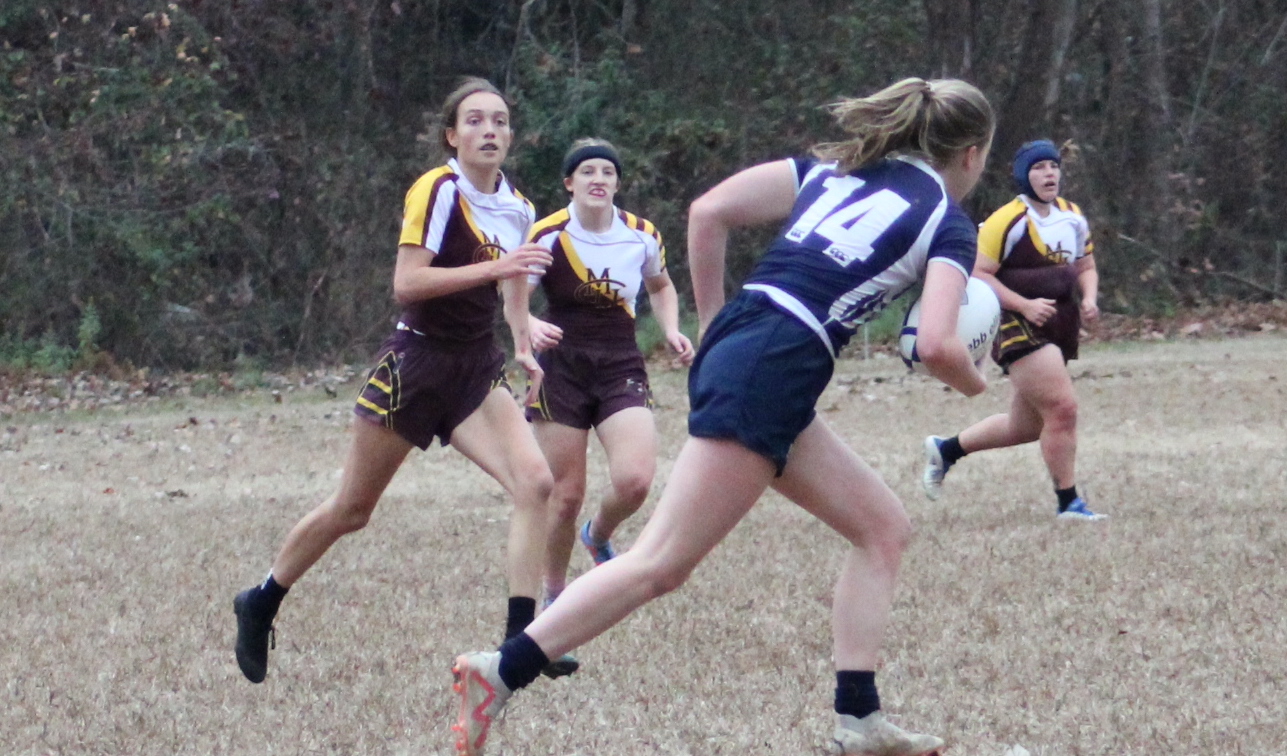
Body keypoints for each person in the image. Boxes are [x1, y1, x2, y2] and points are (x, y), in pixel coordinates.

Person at [449, 77, 995, 756]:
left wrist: (713, 327)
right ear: (969, 154)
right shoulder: (945, 219)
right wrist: (974, 382)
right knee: (660, 563)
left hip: (748, 339)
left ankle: (859, 720)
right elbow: (942, 344)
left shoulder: (831, 172)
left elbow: (708, 212)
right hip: (775, 364)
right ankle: (499, 671)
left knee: (882, 529)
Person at [231, 77, 559, 684]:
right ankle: (262, 599)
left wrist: (523, 337)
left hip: (474, 368)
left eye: (501, 121)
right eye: (476, 121)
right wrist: (499, 265)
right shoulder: (437, 190)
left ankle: (521, 646)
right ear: (451, 135)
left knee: (536, 484)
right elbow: (408, 284)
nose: (490, 130)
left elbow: (515, 280)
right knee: (353, 509)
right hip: (417, 364)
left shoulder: (518, 206)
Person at [525, 138, 695, 616]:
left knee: (636, 480)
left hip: (620, 362)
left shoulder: (641, 234)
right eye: (587, 172)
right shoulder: (547, 233)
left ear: (618, 183)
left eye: (607, 172)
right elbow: (512, 290)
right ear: (569, 182)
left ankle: (597, 534)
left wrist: (671, 329)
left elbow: (661, 286)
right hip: (561, 366)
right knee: (566, 494)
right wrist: (529, 325)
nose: (598, 179)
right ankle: (554, 596)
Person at [921, 139, 1105, 521]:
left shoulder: (1072, 215)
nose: (1049, 173)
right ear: (1024, 175)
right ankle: (1069, 503)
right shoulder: (1007, 220)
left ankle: (947, 449)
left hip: (1058, 323)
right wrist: (1023, 304)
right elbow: (977, 274)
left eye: (1053, 166)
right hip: (1013, 323)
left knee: (1026, 427)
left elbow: (1086, 265)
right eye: (1039, 167)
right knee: (1063, 408)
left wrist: (1089, 299)